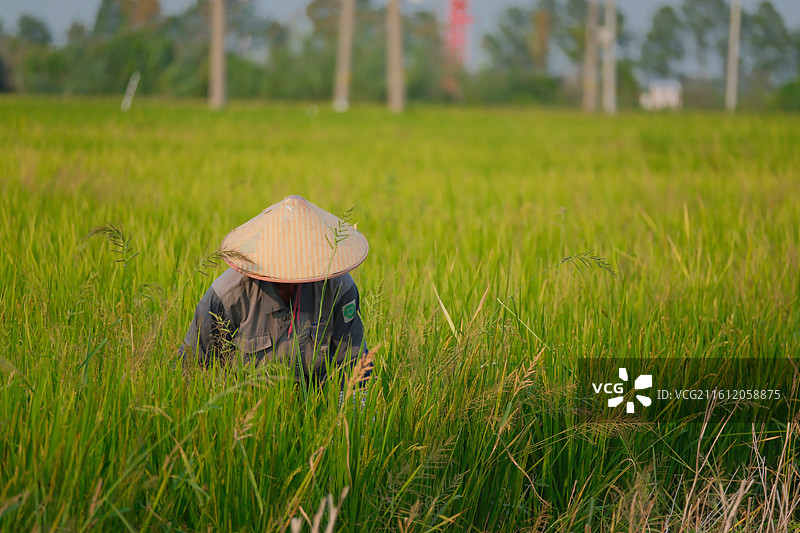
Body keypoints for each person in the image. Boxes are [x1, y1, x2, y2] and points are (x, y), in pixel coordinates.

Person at [180, 195, 370, 384]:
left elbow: (354, 368)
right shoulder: (228, 295)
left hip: (314, 404)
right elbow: (190, 365)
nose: (292, 274)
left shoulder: (338, 290)